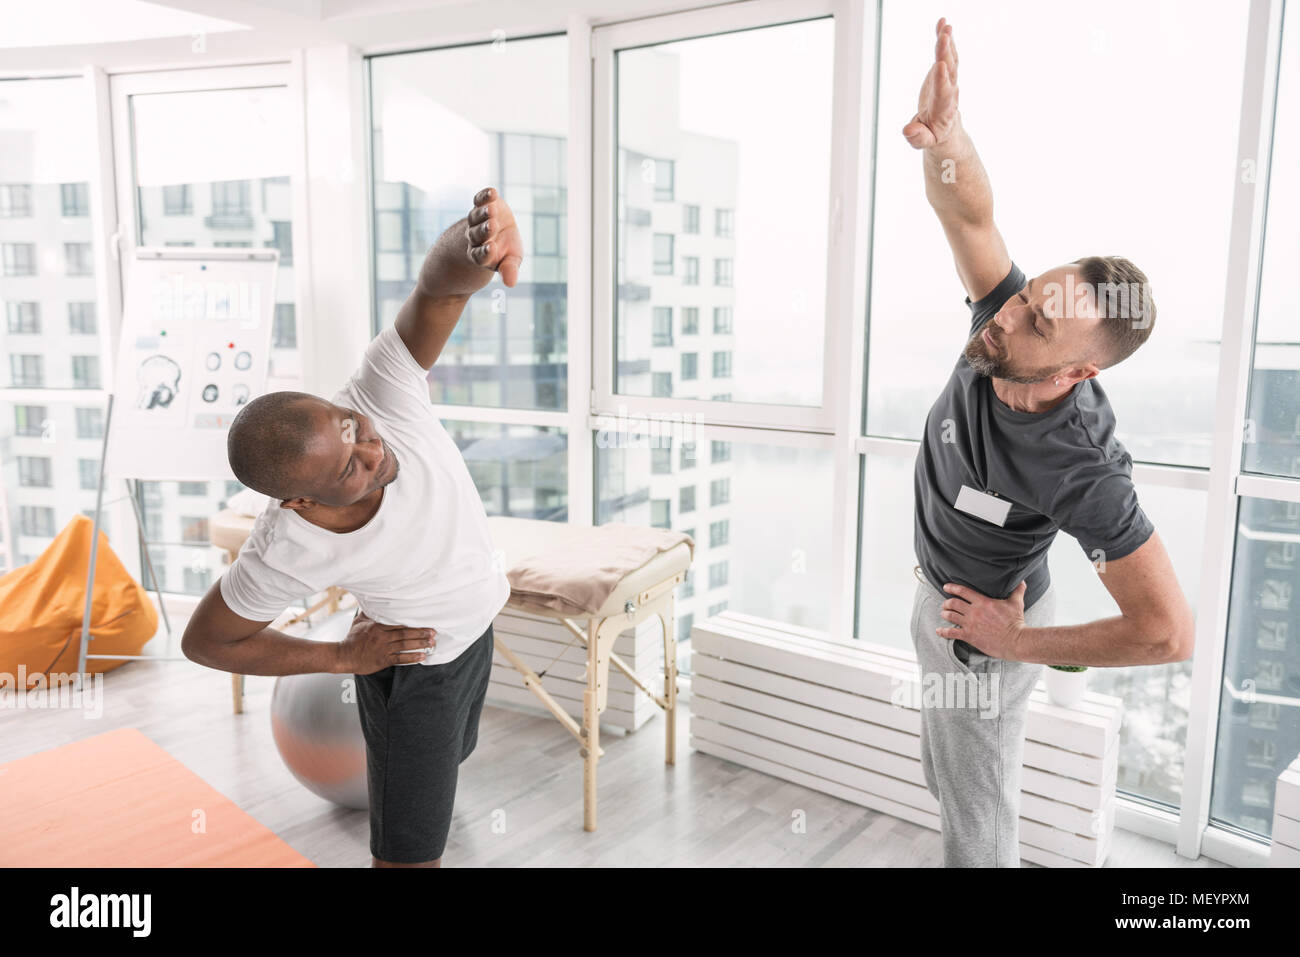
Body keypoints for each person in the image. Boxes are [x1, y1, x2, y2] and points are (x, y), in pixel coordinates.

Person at [902, 18, 1195, 867]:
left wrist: (1012, 642)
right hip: (946, 602)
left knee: (977, 818)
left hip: (985, 629)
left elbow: (1166, 631)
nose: (1005, 311)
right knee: (951, 780)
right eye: (1030, 296)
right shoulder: (1005, 324)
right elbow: (968, 208)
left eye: (1037, 320)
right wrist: (948, 138)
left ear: (1071, 374)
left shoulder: (1082, 464)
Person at [181, 186, 524, 868]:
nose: (374, 453)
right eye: (348, 473)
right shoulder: (286, 547)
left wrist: (477, 243)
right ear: (301, 504)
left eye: (355, 432)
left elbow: (439, 290)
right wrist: (340, 657)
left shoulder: (377, 392)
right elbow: (205, 640)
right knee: (406, 855)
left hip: (477, 635)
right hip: (417, 674)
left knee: (449, 773)